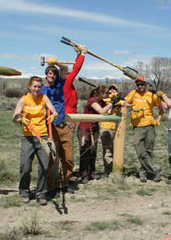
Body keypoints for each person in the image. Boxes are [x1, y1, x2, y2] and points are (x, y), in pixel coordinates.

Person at [12, 76, 58, 205]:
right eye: (34, 86)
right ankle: (24, 191)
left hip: (43, 137)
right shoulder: (23, 100)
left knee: (44, 166)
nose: (37, 89)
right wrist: (20, 119)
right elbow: (14, 118)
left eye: (39, 86)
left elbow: (54, 111)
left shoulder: (44, 98)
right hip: (28, 138)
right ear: (29, 86)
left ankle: (41, 193)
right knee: (25, 166)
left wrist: (53, 115)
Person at [41, 47, 80, 198]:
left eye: (54, 73)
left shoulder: (60, 85)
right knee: (52, 159)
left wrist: (56, 62)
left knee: (68, 157)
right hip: (49, 128)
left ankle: (64, 183)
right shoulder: (41, 90)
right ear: (46, 75)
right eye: (50, 73)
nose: (52, 75)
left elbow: (65, 68)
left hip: (63, 126)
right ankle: (52, 187)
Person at [122, 76, 164, 182]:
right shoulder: (133, 93)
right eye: (138, 85)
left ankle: (143, 173)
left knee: (148, 151)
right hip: (137, 126)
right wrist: (130, 105)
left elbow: (161, 109)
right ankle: (155, 169)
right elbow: (124, 102)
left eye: (142, 84)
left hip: (149, 126)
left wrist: (157, 121)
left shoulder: (151, 95)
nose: (140, 86)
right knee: (140, 150)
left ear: (146, 85)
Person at [77, 85, 112, 182]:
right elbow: (101, 112)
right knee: (85, 151)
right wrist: (110, 104)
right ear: (100, 93)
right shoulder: (92, 100)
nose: (106, 95)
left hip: (94, 129)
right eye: (105, 93)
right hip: (85, 129)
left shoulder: (102, 102)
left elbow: (108, 112)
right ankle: (84, 174)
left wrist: (111, 103)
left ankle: (92, 173)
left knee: (93, 151)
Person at [100, 85, 122, 176]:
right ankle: (108, 170)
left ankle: (116, 168)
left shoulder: (119, 100)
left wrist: (119, 101)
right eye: (110, 89)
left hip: (117, 129)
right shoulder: (105, 101)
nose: (112, 90)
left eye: (114, 89)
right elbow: (108, 113)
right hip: (106, 128)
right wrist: (112, 102)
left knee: (116, 150)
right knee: (107, 150)